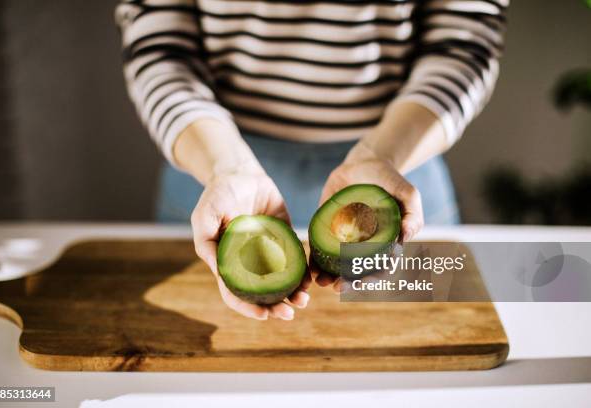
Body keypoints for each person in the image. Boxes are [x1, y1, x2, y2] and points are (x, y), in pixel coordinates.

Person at [115, 0, 507, 320]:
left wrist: (380, 154)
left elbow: (464, 44)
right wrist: (227, 167)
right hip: (215, 165)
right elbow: (159, 48)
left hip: (394, 160)